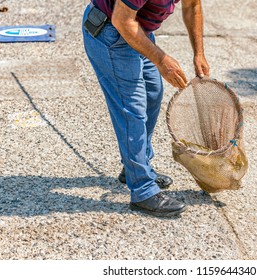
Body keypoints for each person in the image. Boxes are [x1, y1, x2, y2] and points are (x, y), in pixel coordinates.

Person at [82, 0, 210, 217]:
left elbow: (192, 6)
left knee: (152, 94)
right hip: (111, 32)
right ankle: (143, 190)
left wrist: (199, 53)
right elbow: (122, 20)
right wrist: (161, 59)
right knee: (132, 110)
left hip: (138, 30)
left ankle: (135, 167)